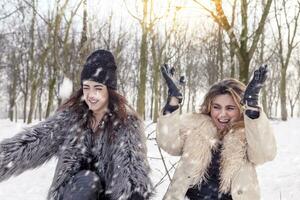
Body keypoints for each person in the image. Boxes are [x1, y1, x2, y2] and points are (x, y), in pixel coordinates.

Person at [0, 49, 153, 200]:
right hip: (72, 194)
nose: (91, 95)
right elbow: (33, 142)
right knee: (87, 180)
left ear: (110, 90)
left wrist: (135, 195)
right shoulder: (72, 118)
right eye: (86, 88)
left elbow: (133, 170)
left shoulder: (126, 125)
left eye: (98, 88)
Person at [156, 64, 277, 200]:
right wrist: (173, 101)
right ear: (209, 106)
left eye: (230, 108)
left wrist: (252, 107)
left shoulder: (249, 134)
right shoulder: (195, 126)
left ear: (241, 109)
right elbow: (168, 144)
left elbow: (264, 154)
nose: (222, 114)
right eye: (216, 107)